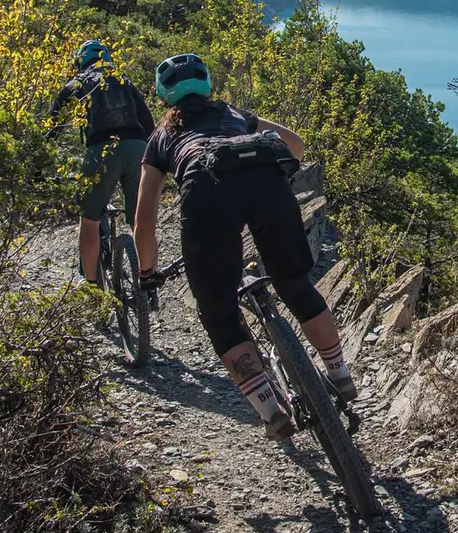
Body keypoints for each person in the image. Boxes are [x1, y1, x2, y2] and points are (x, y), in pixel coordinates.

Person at [133, 53, 358, 441]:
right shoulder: (234, 113)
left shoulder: (161, 137)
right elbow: (295, 144)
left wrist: (147, 273)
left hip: (206, 194)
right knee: (295, 284)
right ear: (206, 85)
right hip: (265, 181)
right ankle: (340, 374)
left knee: (219, 313)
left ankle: (271, 411)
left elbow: (144, 220)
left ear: (163, 95)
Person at [48, 39, 154, 285]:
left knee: (89, 220)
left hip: (102, 152)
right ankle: (148, 281)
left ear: (79, 63)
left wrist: (37, 169)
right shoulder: (123, 79)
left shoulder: (77, 83)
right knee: (140, 220)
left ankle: (92, 287)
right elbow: (148, 123)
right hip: (137, 149)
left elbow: (52, 128)